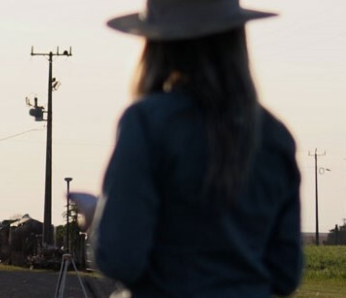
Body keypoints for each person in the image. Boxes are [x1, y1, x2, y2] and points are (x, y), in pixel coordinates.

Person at [92, 0, 303, 297]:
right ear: (236, 38)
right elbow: (286, 273)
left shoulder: (147, 123)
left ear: (156, 46)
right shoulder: (275, 135)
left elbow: (121, 259)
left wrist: (98, 220)